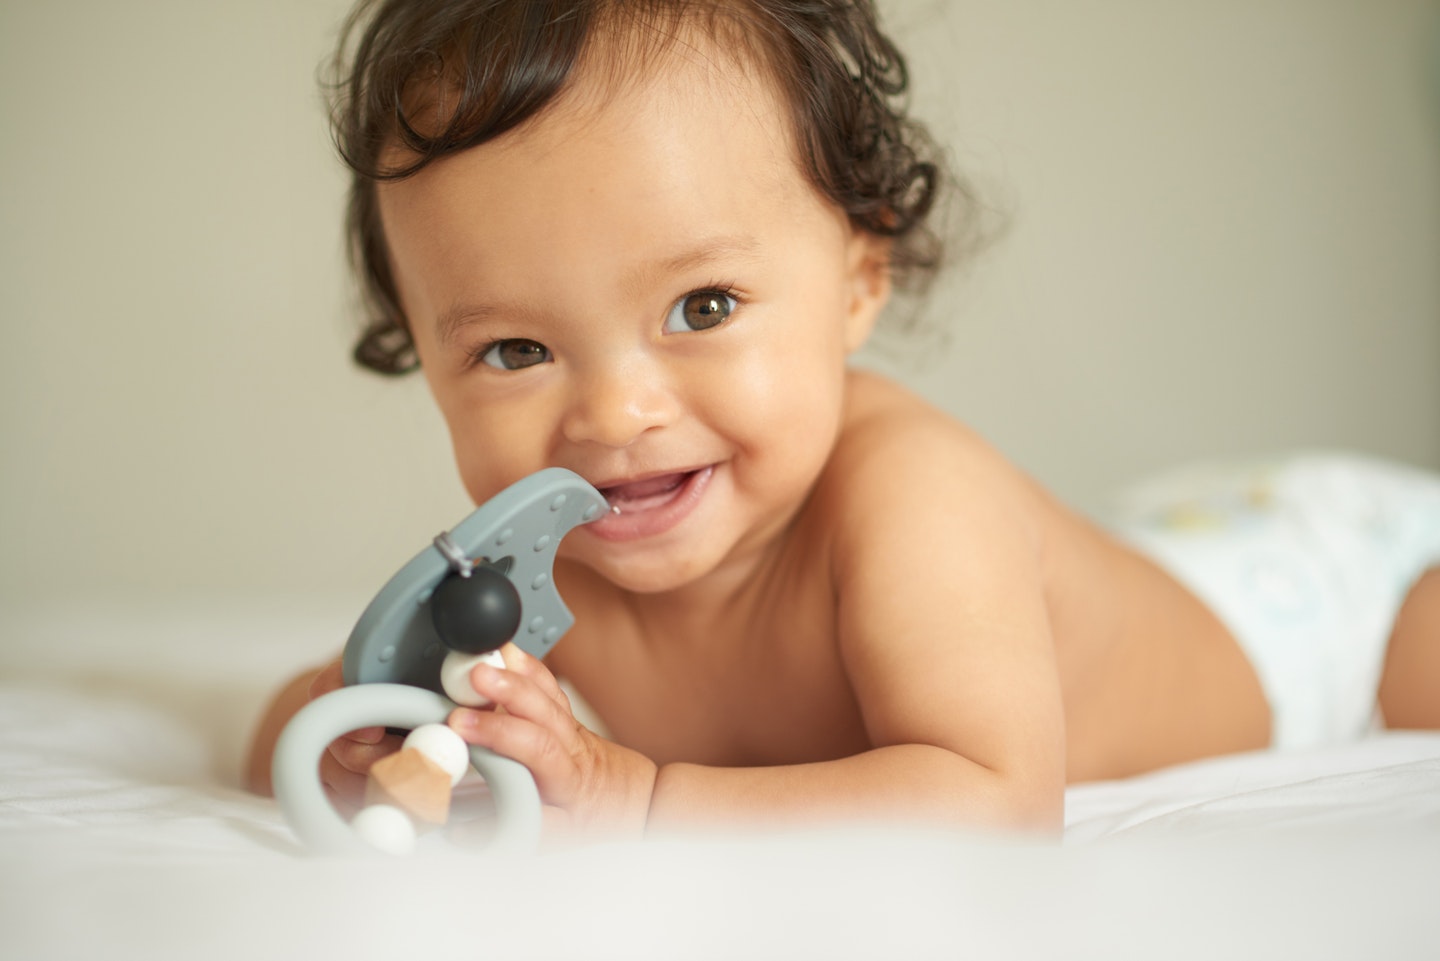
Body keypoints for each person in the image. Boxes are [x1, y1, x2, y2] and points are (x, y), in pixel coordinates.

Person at [245, 0, 1440, 839]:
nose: (612, 415)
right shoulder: (546, 564)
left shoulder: (911, 501)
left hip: (1335, 596)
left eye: (700, 306)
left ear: (860, 281)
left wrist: (636, 799)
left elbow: (995, 799)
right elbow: (323, 720)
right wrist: (344, 738)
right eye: (515, 349)